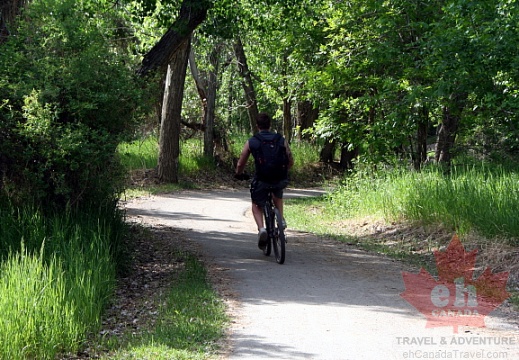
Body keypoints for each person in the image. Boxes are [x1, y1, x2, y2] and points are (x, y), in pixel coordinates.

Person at [235, 113, 294, 250]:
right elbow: (290, 159)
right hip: (279, 177)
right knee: (277, 195)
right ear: (270, 125)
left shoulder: (252, 141)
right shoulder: (280, 139)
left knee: (256, 204)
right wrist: (285, 170)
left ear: (257, 126)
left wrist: (239, 173)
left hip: (261, 178)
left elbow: (241, 163)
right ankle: (281, 220)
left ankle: (262, 229)